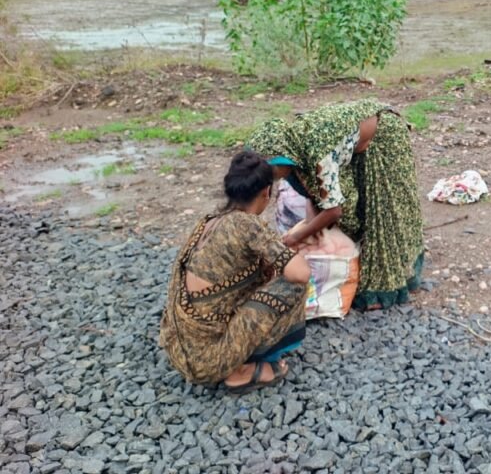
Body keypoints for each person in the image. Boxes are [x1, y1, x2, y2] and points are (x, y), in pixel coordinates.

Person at [247, 98, 425, 311]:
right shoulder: (295, 148)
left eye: (273, 174)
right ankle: (362, 262)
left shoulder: (318, 153)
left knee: (385, 211)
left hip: (385, 135)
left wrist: (297, 236)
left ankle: (394, 280)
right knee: (361, 208)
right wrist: (309, 227)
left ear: (284, 161)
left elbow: (334, 210)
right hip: (355, 144)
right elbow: (313, 193)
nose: (273, 181)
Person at [159, 151, 311, 394]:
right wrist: (293, 253)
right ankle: (239, 371)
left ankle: (235, 359)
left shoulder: (209, 222)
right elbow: (300, 274)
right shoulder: (245, 224)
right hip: (211, 361)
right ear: (266, 193)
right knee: (292, 285)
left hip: (180, 350)